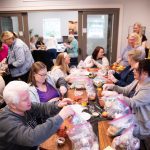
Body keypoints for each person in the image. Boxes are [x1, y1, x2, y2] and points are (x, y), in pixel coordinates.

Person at [0, 80, 74, 150]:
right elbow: (32, 137)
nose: (29, 101)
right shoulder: (6, 121)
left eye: (29, 96)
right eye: (25, 99)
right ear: (13, 105)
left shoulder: (25, 107)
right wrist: (61, 116)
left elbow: (43, 107)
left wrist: (58, 105)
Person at [103, 59, 150, 149]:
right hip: (132, 118)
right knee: (111, 126)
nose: (133, 71)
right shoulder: (138, 81)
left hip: (141, 126)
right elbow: (125, 90)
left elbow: (133, 102)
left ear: (144, 73)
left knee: (110, 133)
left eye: (136, 69)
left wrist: (117, 96)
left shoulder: (148, 89)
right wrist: (113, 87)